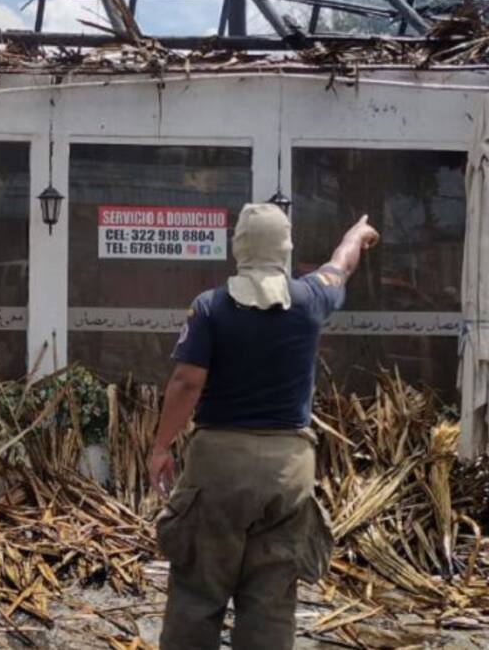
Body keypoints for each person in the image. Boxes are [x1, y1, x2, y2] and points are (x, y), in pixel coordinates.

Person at [148, 202, 380, 650]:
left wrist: (160, 446)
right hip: (288, 470)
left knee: (198, 591)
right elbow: (340, 266)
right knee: (272, 600)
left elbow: (186, 382)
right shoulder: (311, 300)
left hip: (218, 467)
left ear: (238, 246)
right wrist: (357, 234)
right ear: (286, 248)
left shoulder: (211, 308)